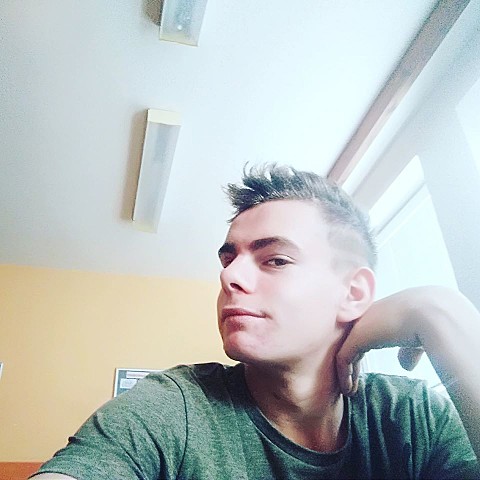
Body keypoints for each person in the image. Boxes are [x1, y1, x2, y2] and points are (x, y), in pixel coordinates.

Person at [32, 164, 479, 479]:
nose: (230, 276)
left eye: (276, 259)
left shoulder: (413, 417)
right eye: (229, 259)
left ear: (353, 293)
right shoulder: (175, 408)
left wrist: (441, 314)